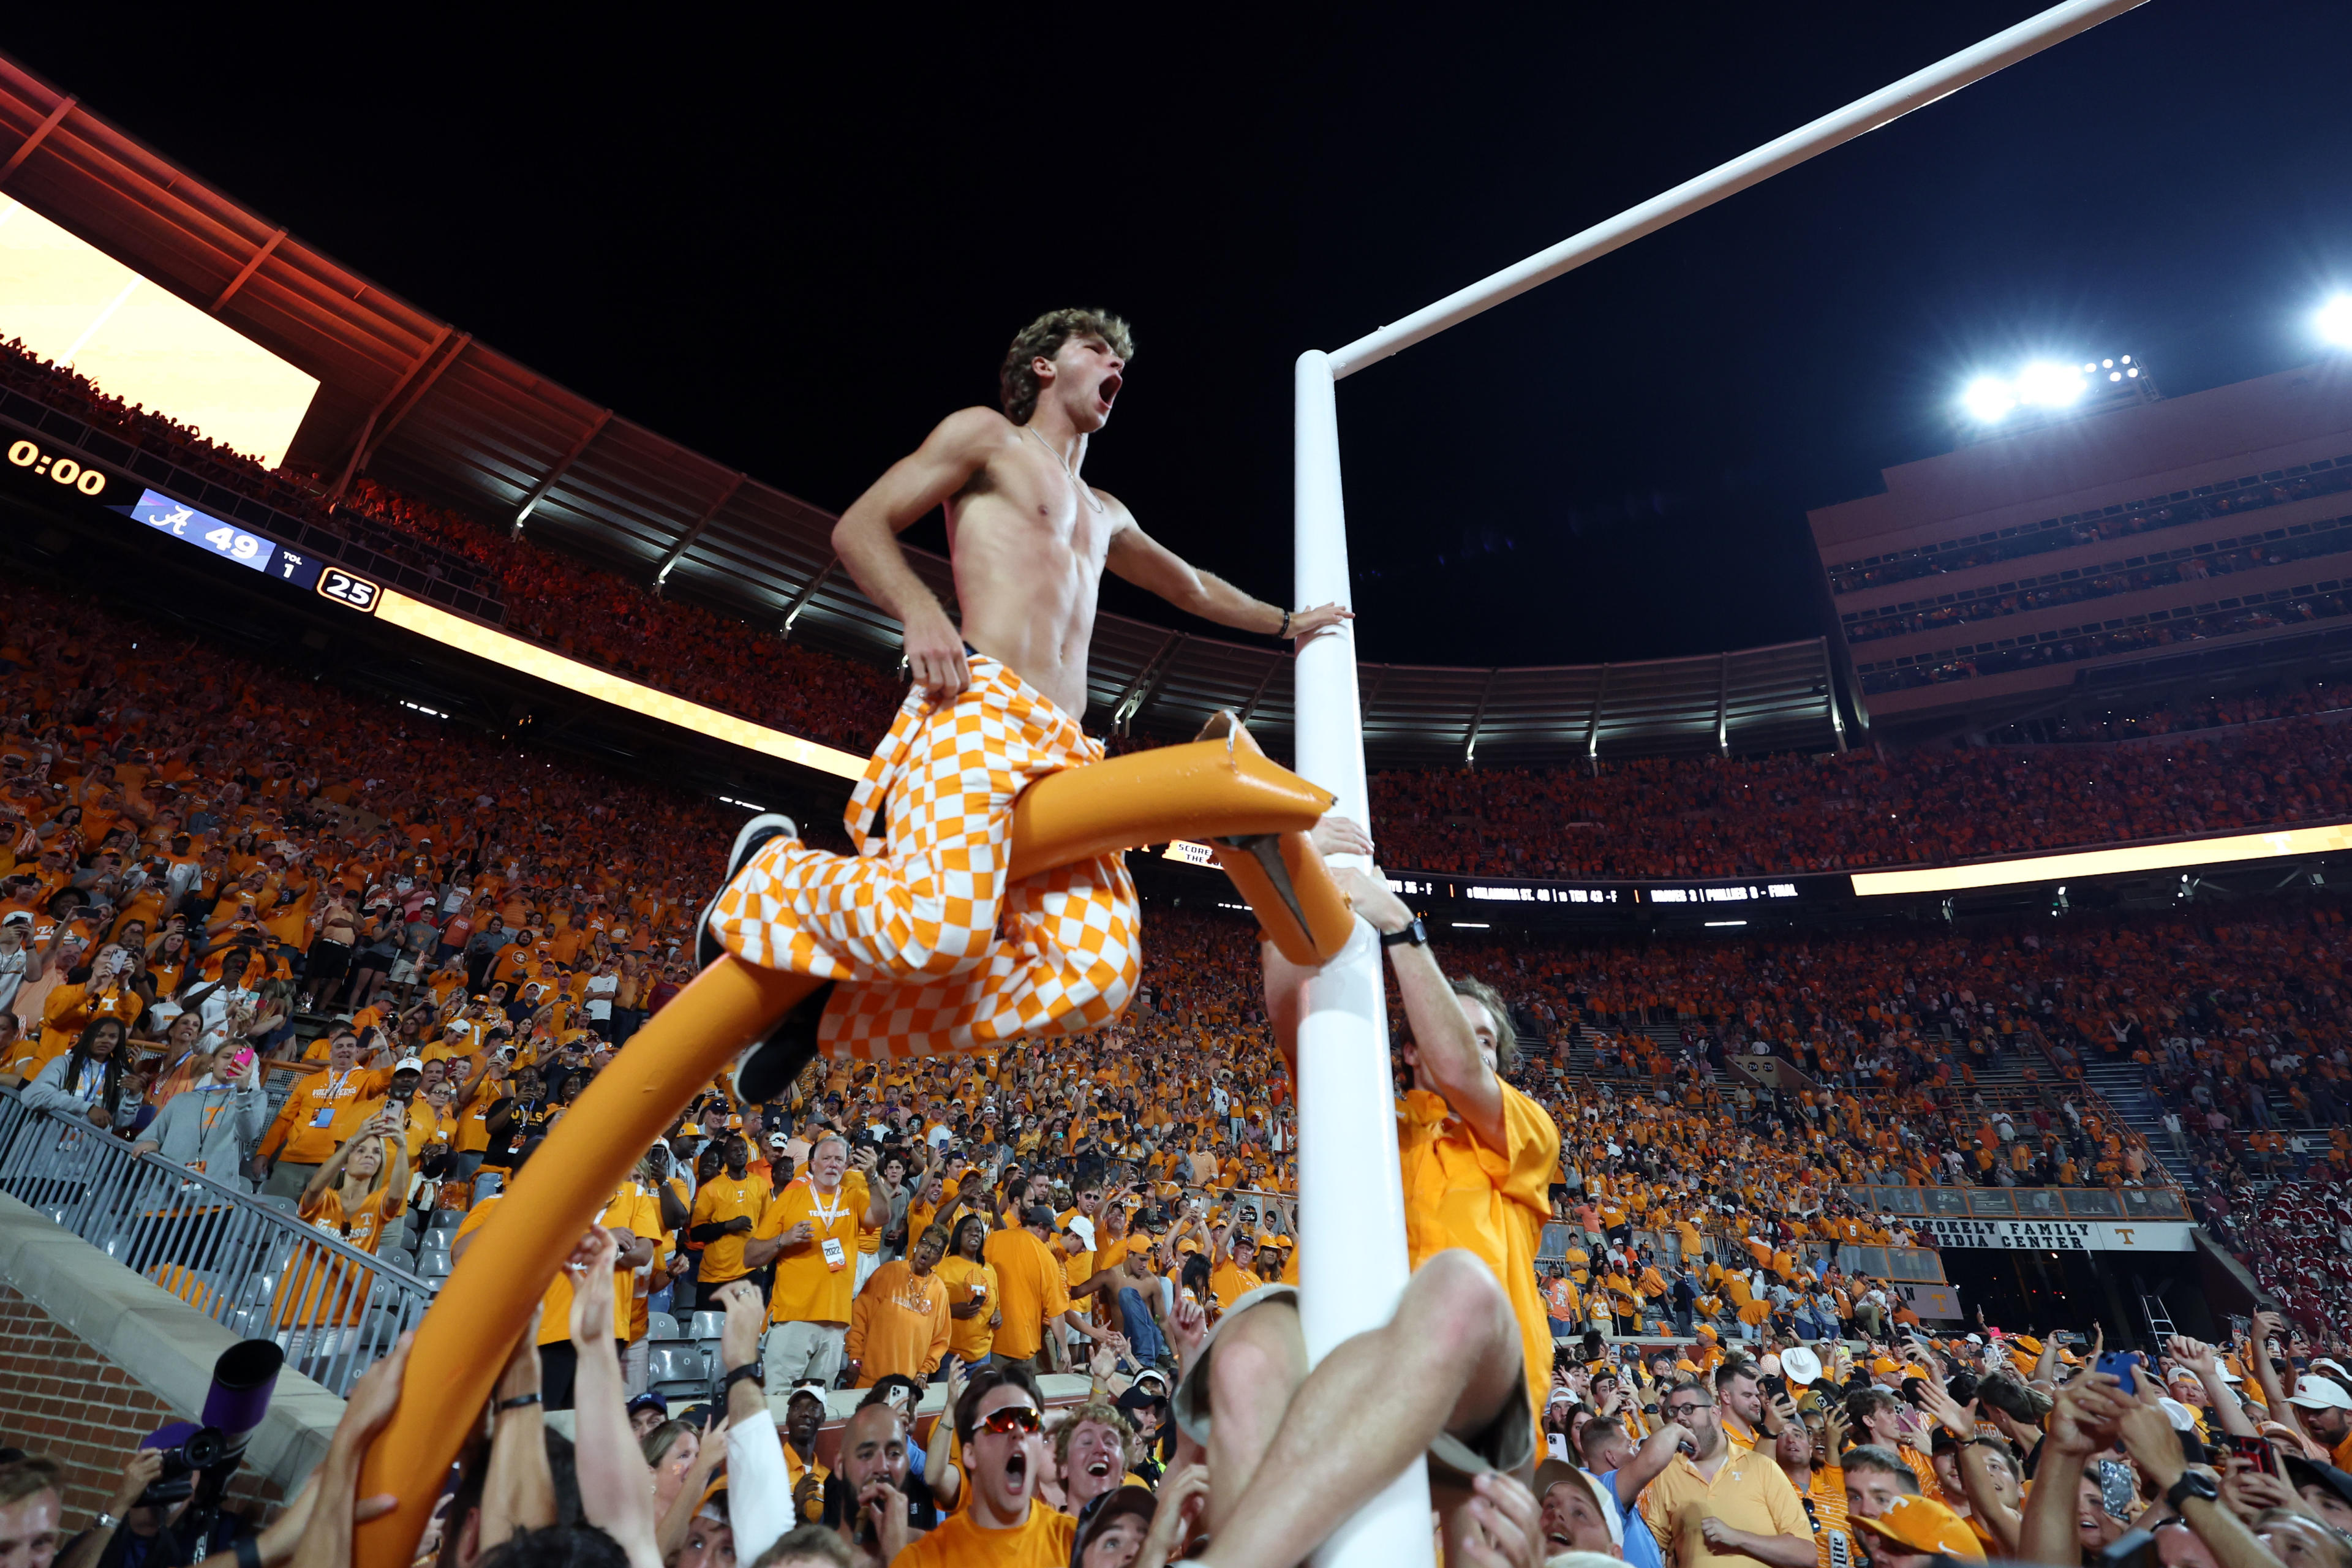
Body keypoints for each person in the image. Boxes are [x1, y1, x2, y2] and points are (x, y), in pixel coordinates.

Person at [702, 308, 1349, 1099]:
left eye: (1123, 361)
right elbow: (861, 526)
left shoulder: (1108, 510)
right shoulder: (987, 437)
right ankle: (771, 877)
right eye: (1097, 350)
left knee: (1096, 977)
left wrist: (1289, 623)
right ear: (1045, 366)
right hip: (981, 704)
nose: (1117, 366)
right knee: (935, 930)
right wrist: (921, 611)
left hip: (1066, 745)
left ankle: (827, 1015)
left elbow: (1191, 586)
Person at [745, 1136, 892, 1395]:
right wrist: (784, 1239)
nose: (832, 1165)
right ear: (813, 1164)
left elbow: (882, 1216)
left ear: (847, 1165)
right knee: (778, 1403)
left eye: (839, 1159)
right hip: (794, 1319)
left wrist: (872, 1178)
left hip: (836, 1324)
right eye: (826, 1158)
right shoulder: (791, 1199)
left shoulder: (854, 1197)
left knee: (816, 1406)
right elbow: (750, 1256)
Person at [888, 1365, 1071, 1568]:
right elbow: (933, 1476)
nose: (1019, 1432)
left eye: (1030, 1421)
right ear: (970, 1453)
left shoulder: (1080, 1544)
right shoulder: (923, 1560)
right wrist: (951, 1407)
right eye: (999, 1422)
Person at [1637, 1381, 1814, 1568]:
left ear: (1715, 1413)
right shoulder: (1668, 1472)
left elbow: (1806, 1554)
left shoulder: (1763, 1467)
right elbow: (1650, 1547)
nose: (1680, 1417)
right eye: (1673, 1411)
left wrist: (1737, 1537)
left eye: (1688, 1409)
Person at [129, 1044, 268, 1191]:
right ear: (212, 1062)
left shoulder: (254, 1098)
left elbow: (248, 1134)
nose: (232, 1063)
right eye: (226, 1057)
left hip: (216, 1203)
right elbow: (147, 1137)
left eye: (240, 1060)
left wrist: (242, 1093)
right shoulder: (181, 1100)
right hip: (163, 1198)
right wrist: (151, 1144)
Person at [844, 1224, 952, 1392]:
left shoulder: (939, 1291)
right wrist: (855, 1359)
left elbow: (940, 1340)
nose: (928, 1250)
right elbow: (860, 1317)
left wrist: (924, 1372)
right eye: (925, 1243)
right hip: (867, 1379)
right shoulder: (888, 1272)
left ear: (939, 1260)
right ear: (916, 1245)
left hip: (905, 1386)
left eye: (936, 1249)